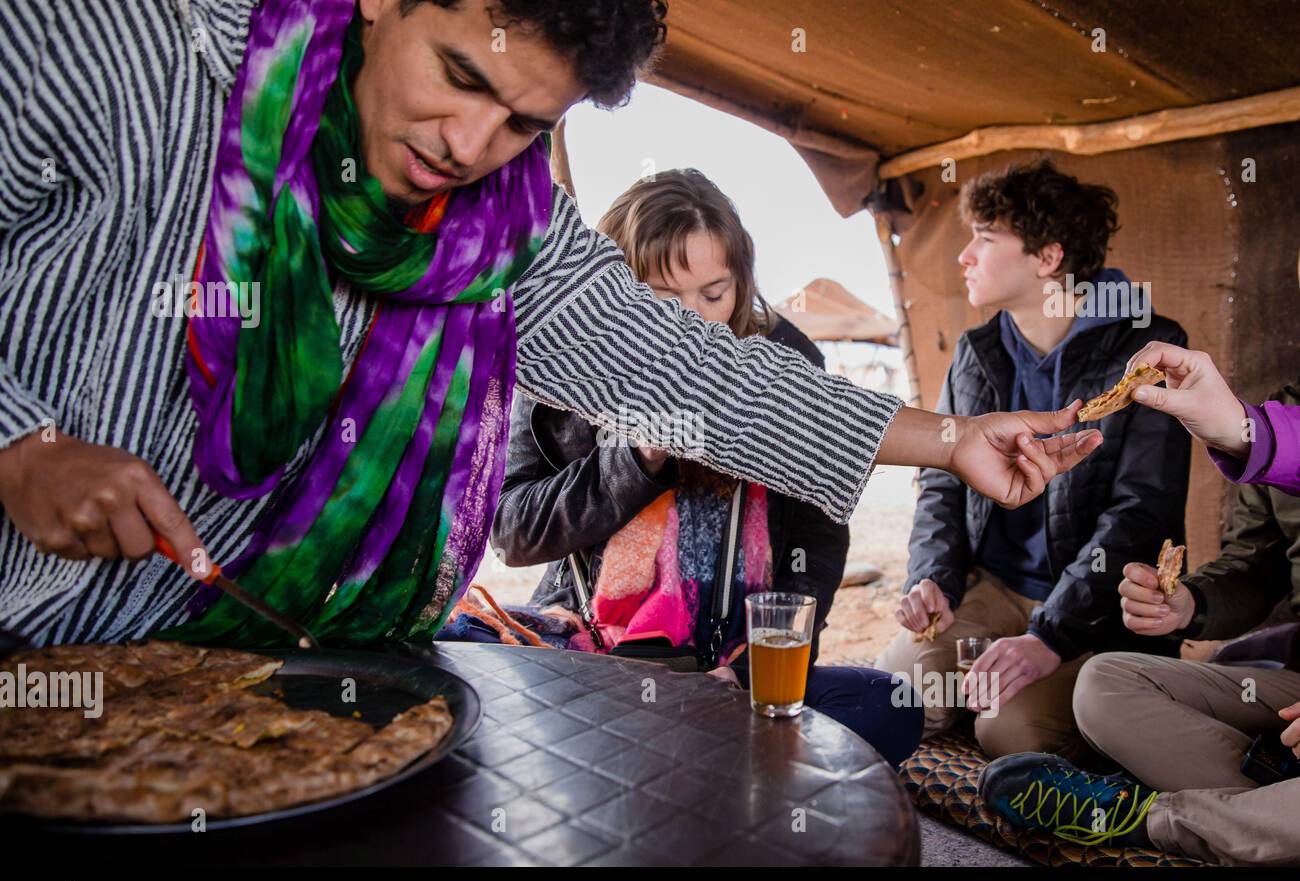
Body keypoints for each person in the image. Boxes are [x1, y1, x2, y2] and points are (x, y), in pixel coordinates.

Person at [0, 0, 1100, 647]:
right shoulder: (115, 50)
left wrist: (948, 438)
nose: (469, 144)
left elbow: (697, 377)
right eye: (459, 75)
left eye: (525, 120)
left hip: (256, 677)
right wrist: (20, 442)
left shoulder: (506, 229)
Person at [487, 169, 923, 765]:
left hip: (730, 662)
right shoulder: (565, 368)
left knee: (889, 706)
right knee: (450, 652)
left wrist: (753, 673)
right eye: (665, 301)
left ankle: (673, 742)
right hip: (590, 648)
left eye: (715, 294)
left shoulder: (785, 358)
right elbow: (512, 531)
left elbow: (818, 540)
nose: (693, 325)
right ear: (616, 296)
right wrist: (637, 457)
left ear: (742, 283)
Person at [875, 160, 1190, 761]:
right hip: (992, 587)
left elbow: (1143, 511)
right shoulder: (977, 350)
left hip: (1098, 611)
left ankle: (1047, 698)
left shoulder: (1150, 350)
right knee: (898, 694)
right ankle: (991, 679)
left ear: (1047, 259)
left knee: (1007, 732)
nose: (964, 256)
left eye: (985, 239)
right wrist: (932, 578)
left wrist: (1049, 636)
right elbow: (941, 488)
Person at [981, 344, 1300, 865]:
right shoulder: (1282, 412)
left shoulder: (1262, 430)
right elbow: (1255, 564)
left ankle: (1150, 817)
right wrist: (1189, 604)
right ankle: (1269, 809)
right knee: (1105, 685)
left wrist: (1246, 431)